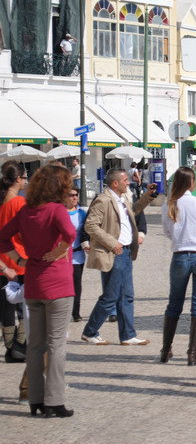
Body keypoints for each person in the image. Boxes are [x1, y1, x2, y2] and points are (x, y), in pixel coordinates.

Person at [0, 164, 77, 417]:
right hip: (57, 284)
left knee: (35, 345)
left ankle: (35, 398)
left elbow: (2, 236)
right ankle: (54, 400)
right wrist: (58, 252)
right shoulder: (56, 210)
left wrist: (19, 260)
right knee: (55, 346)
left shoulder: (27, 211)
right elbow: (70, 233)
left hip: (33, 283)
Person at [81, 169, 156, 346]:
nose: (128, 182)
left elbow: (135, 211)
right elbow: (90, 225)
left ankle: (128, 335)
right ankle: (90, 331)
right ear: (115, 183)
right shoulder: (103, 200)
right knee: (111, 297)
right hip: (114, 253)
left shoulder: (122, 199)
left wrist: (148, 196)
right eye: (125, 179)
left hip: (127, 252)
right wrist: (111, 243)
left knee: (126, 296)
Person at [160, 166, 196, 366]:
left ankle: (165, 350)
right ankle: (192, 353)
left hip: (180, 255)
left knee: (174, 303)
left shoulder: (168, 205)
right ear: (192, 183)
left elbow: (167, 232)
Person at [0, 160, 28, 363]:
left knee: (6, 309)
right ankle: (18, 347)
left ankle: (11, 349)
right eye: (25, 177)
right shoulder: (19, 203)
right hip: (18, 260)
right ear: (18, 179)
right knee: (26, 307)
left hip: (3, 262)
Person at [65, 187, 89, 322]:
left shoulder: (82, 213)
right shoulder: (60, 213)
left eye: (76, 195)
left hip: (77, 254)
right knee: (64, 284)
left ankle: (76, 312)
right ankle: (64, 310)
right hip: (62, 256)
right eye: (71, 195)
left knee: (76, 284)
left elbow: (87, 231)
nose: (74, 198)